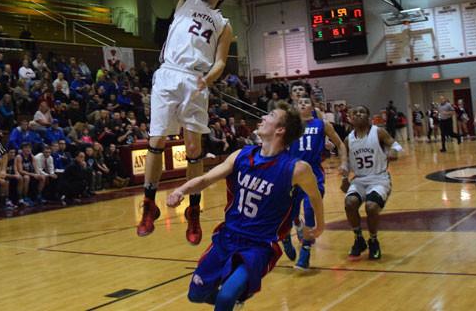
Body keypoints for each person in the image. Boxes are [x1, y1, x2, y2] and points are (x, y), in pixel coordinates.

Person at [166, 105, 321, 310]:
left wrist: (320, 226)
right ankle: (236, 301)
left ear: (280, 130)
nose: (264, 116)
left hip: (260, 245)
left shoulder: (297, 168)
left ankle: (233, 300)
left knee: (226, 297)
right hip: (228, 236)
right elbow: (205, 179)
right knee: (196, 295)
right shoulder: (241, 155)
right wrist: (181, 190)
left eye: (271, 115)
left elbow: (315, 196)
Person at [138, 0, 234, 245]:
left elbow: (221, 62)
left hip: (196, 79)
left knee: (193, 149)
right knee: (156, 141)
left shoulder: (223, 24)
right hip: (169, 74)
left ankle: (193, 212)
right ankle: (149, 204)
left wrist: (210, 78)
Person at [281, 96, 346, 270]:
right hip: (292, 173)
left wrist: (344, 162)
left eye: (306, 101)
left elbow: (340, 144)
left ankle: (305, 252)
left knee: (310, 210)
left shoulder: (321, 124)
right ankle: (285, 235)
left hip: (314, 174)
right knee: (286, 211)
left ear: (313, 107)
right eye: (299, 102)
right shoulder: (290, 126)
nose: (302, 103)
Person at [342, 106, 401, 260]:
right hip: (360, 179)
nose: (358, 114)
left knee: (371, 206)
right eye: (354, 112)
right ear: (350, 118)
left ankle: (373, 240)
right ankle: (358, 238)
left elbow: (395, 145)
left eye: (361, 111)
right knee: (350, 203)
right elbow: (347, 162)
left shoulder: (378, 132)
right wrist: (344, 178)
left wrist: (393, 151)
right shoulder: (348, 139)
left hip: (379, 178)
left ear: (368, 117)